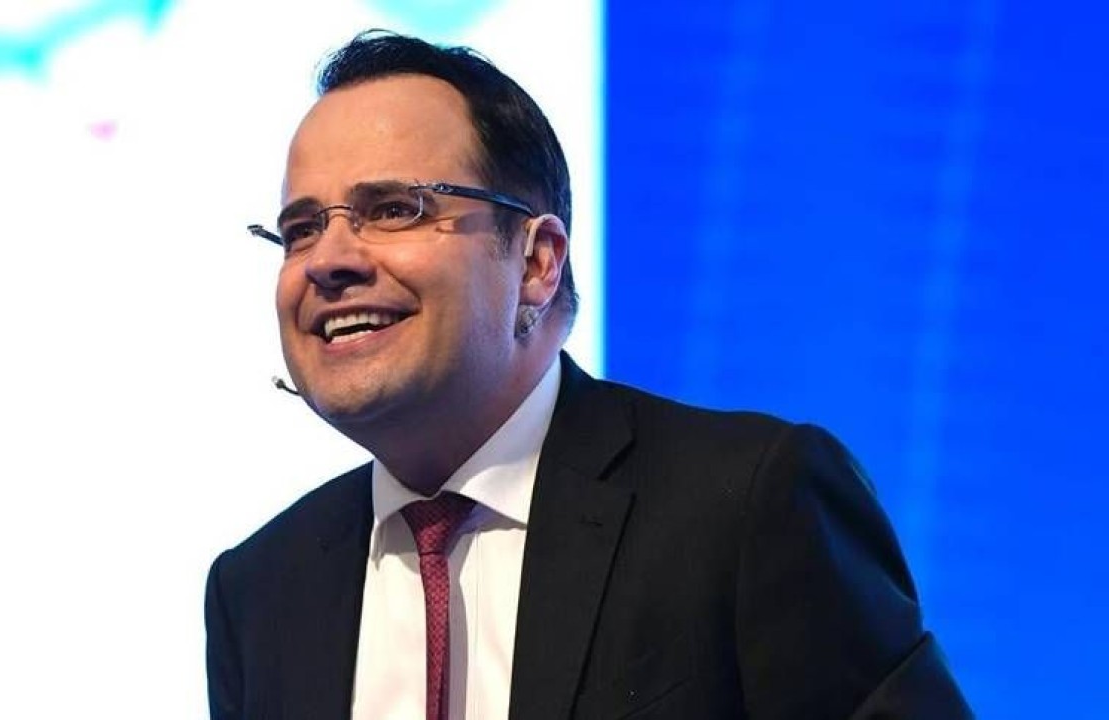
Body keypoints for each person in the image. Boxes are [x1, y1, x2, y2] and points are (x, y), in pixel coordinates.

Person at [204, 30, 972, 719]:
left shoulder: (748, 507)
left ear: (536, 263)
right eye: (301, 229)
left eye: (394, 209)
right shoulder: (260, 590)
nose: (329, 260)